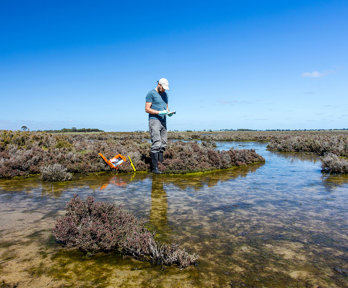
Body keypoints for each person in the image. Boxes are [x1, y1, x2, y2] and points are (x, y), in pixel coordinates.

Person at [145, 78, 172, 174]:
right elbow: (147, 109)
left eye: (165, 88)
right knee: (156, 142)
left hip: (163, 120)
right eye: (163, 88)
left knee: (163, 143)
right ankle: (154, 168)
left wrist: (169, 113)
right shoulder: (151, 93)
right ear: (159, 84)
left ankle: (161, 165)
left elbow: (166, 108)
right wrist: (159, 112)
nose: (164, 90)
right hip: (154, 120)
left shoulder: (165, 94)